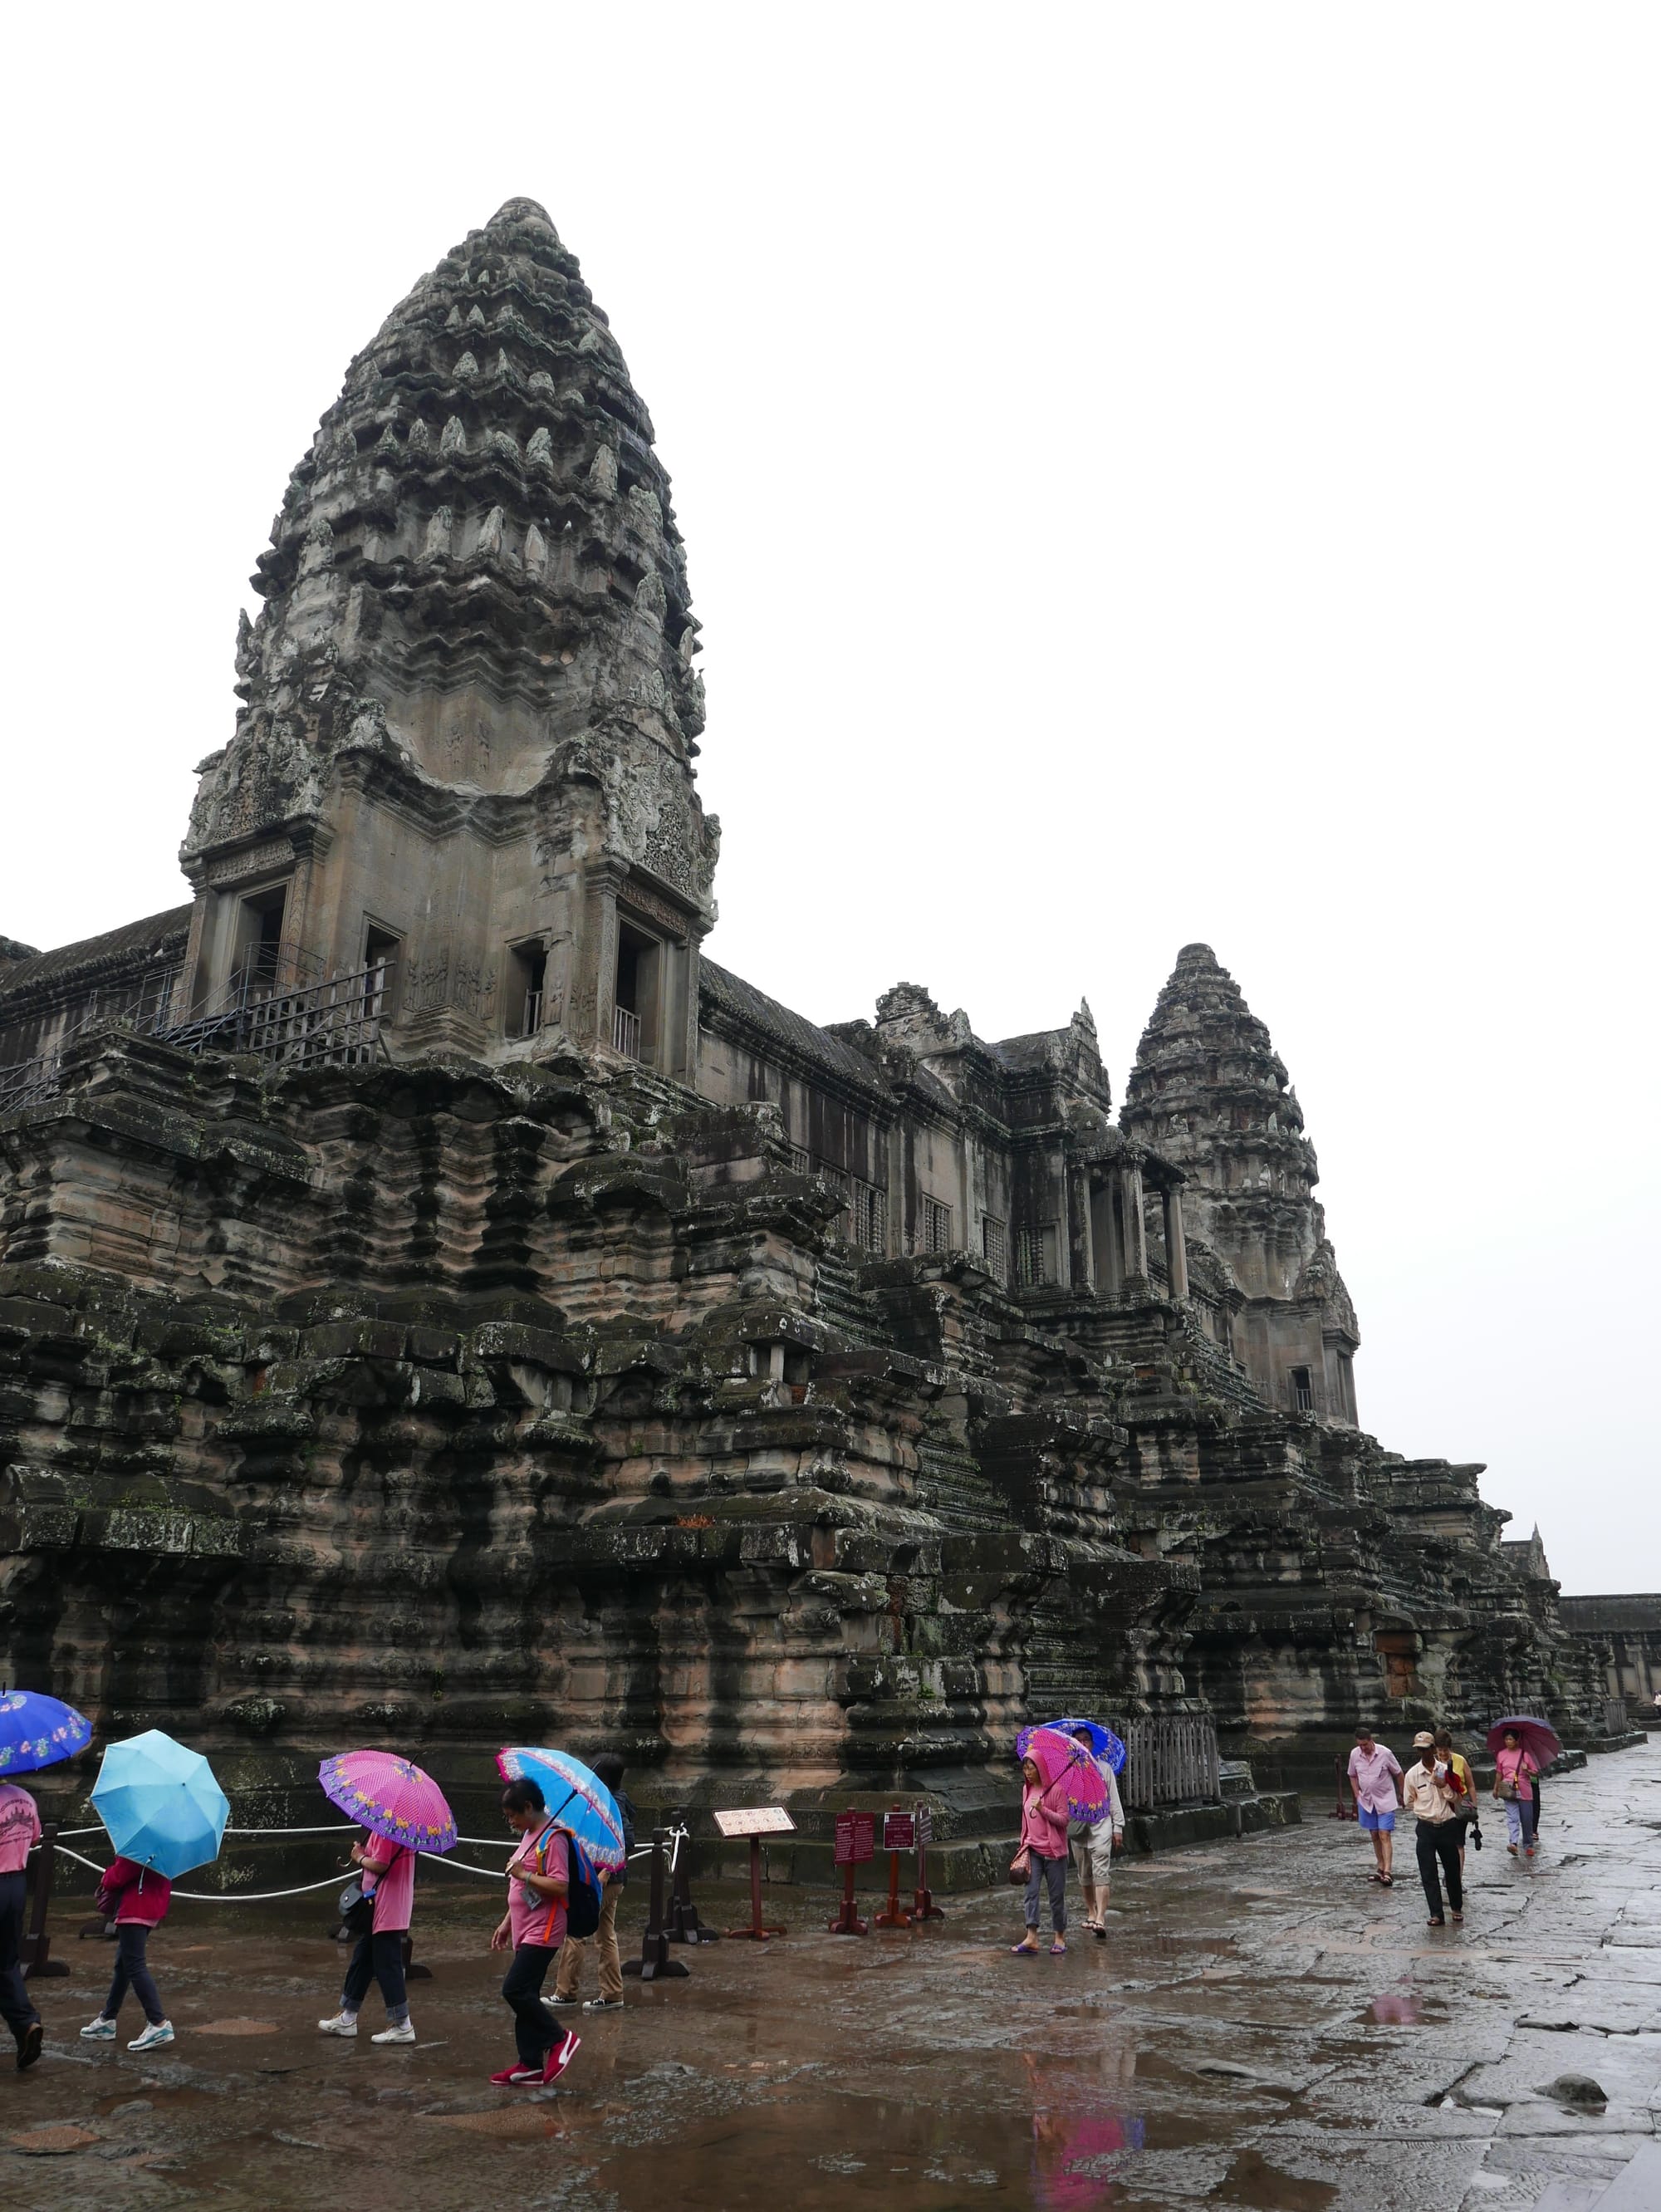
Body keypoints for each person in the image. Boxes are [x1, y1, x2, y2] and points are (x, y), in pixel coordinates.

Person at [490, 1777, 581, 2087]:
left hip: (544, 1929)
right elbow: (519, 1885)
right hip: (525, 1926)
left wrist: (524, 1873)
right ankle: (529, 2063)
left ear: (528, 1807)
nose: (511, 1821)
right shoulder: (531, 1834)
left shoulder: (554, 1837)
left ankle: (559, 2039)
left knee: (514, 1990)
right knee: (525, 1994)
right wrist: (507, 1922)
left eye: (512, 1815)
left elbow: (559, 1884)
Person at [550, 1751, 634, 2013]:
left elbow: (625, 1841)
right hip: (609, 1879)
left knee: (576, 1931)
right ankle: (612, 1993)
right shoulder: (615, 1800)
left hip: (603, 1879)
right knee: (605, 1934)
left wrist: (605, 1872)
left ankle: (565, 1992)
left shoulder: (613, 1804)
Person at [317, 1827, 416, 2043]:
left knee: (387, 1964)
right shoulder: (400, 1827)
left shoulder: (388, 1827)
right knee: (362, 1959)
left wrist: (359, 1857)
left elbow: (381, 1864)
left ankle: (402, 2024)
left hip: (386, 1906)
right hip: (384, 1905)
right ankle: (348, 2016)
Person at [80, 1852, 175, 2050]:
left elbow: (119, 1875)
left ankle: (158, 2022)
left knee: (134, 1965)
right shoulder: (165, 1844)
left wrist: (107, 1875)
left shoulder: (139, 1845)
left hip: (135, 1906)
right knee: (123, 1964)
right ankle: (108, 2019)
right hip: (152, 1904)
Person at [0, 1778, 43, 2072]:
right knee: (6, 1961)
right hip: (16, 1884)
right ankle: (25, 2023)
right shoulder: (25, 1796)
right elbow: (36, 1837)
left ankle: (25, 2023)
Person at [1402, 1729, 1463, 1927]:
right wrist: (1424, 1810)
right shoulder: (1412, 1774)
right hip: (1426, 1827)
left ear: (1433, 1749)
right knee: (1428, 1872)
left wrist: (1443, 1786)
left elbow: (1458, 1798)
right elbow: (1409, 1801)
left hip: (1447, 1825)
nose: (1424, 1754)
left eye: (1427, 1749)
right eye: (1420, 1750)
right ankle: (1436, 1913)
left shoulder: (1445, 1770)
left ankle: (1456, 1907)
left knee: (1452, 1871)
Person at [1011, 1753, 1070, 1956]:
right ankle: (1032, 1936)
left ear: (1041, 1768)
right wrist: (1023, 1843)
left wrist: (1043, 1810)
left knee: (1056, 1896)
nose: (1027, 1772)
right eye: (1025, 1768)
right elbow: (1025, 1819)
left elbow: (1063, 1820)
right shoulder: (1026, 1789)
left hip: (1054, 1853)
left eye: (1031, 1768)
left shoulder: (1057, 1790)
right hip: (1033, 1850)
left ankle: (1059, 1937)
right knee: (1031, 1893)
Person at [1068, 1729, 1125, 1937]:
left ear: (1092, 1744)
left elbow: (1114, 1798)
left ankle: (1101, 1916)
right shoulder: (1069, 1770)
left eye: (1086, 1740)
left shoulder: (1104, 1768)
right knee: (1084, 1873)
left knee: (1101, 1872)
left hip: (1101, 1825)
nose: (1083, 1743)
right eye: (1078, 1740)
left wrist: (1117, 1826)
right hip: (1078, 1827)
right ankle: (1091, 1911)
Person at [1345, 1724, 1404, 1886]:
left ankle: (1388, 1871)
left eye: (1365, 1745)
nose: (1363, 1748)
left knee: (1385, 1834)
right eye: (1360, 1745)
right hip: (1367, 1801)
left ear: (1371, 1741)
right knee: (1375, 1835)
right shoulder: (1355, 1755)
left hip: (1385, 1799)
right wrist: (1357, 1793)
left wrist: (1402, 1793)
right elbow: (1352, 1775)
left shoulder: (1385, 1753)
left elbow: (1398, 1773)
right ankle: (1380, 1866)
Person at [1433, 1729, 1480, 1870]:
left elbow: (1470, 1785)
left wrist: (1473, 1805)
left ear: (1450, 1748)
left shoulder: (1460, 1761)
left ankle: (1457, 1879)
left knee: (1458, 1843)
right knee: (1444, 1843)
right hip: (1440, 1805)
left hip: (1459, 1804)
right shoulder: (1433, 1763)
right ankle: (1448, 1873)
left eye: (1445, 1750)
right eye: (1440, 1750)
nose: (1442, 1754)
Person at [1493, 1728, 1541, 1859]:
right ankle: (1513, 1842)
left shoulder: (1525, 1755)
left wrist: (1527, 1770)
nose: (1508, 1742)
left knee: (1526, 1818)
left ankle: (1528, 1845)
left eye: (1511, 1739)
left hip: (1524, 1789)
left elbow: (1535, 1773)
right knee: (1512, 1817)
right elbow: (1499, 1772)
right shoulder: (1501, 1755)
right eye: (1506, 1739)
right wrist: (1496, 1787)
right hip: (1508, 1788)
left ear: (1516, 1741)